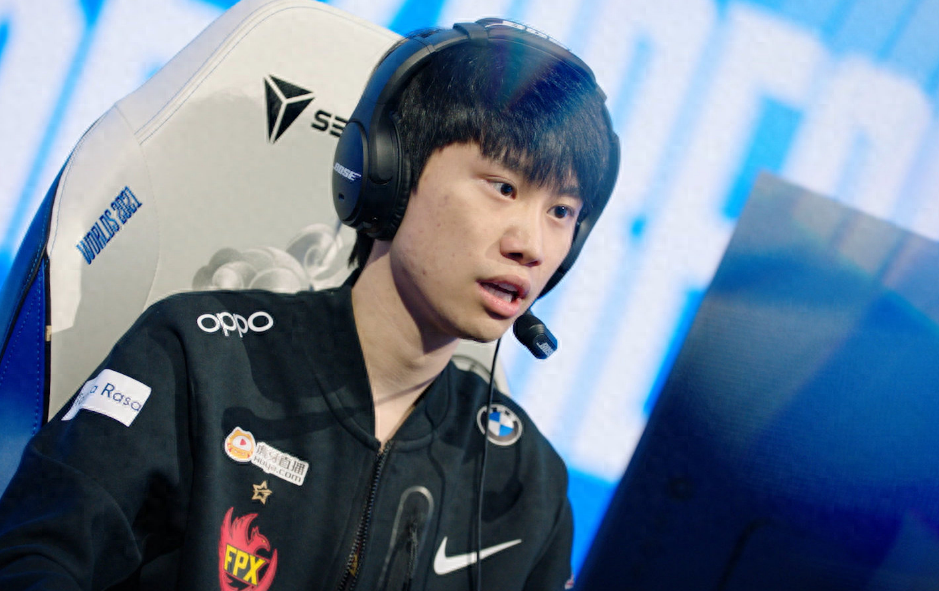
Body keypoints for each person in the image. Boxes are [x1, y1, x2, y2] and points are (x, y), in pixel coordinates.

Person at [0, 18, 617, 591]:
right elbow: (32, 560)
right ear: (391, 175)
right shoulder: (196, 361)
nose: (532, 245)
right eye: (503, 187)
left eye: (561, 211)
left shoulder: (527, 485)